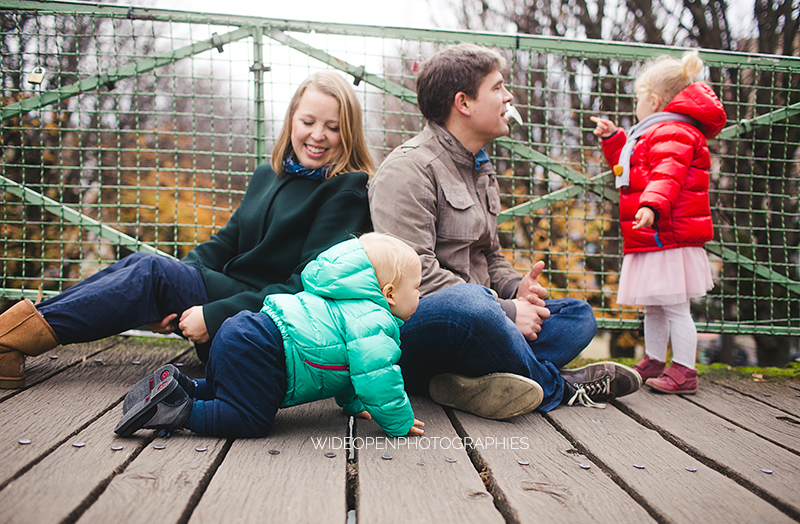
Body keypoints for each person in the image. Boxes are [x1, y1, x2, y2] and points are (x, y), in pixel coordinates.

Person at [0, 71, 374, 388]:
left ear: (349, 132)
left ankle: (10, 338)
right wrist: (173, 292)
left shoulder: (346, 190)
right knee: (149, 268)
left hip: (260, 326)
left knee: (153, 272)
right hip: (226, 302)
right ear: (292, 119)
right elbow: (225, 242)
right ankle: (11, 336)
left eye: (333, 127)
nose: (318, 135)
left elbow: (309, 289)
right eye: (309, 122)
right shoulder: (269, 175)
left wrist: (214, 315)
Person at [369, 43, 642, 418]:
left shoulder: (481, 167)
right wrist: (508, 311)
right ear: (463, 103)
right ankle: (558, 387)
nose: (509, 96)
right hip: (424, 328)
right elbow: (412, 277)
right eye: (497, 87)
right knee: (470, 307)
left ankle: (469, 382)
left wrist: (517, 289)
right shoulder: (408, 169)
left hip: (486, 318)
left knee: (578, 316)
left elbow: (489, 256)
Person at [115, 233, 426, 439]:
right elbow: (376, 374)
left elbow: (353, 369)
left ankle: (182, 386)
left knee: (232, 389)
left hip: (247, 332)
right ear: (389, 294)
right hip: (264, 348)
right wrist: (398, 421)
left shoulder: (341, 300)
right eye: (416, 287)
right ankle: (179, 412)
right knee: (248, 418)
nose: (421, 294)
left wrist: (353, 404)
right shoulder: (374, 320)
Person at [591, 51, 726, 394]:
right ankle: (654, 358)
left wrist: (651, 205)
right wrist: (614, 141)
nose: (636, 104)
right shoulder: (657, 131)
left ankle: (684, 369)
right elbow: (637, 169)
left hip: (668, 234)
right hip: (656, 234)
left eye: (638, 98)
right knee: (654, 305)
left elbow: (668, 174)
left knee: (675, 307)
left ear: (652, 100)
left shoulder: (673, 132)